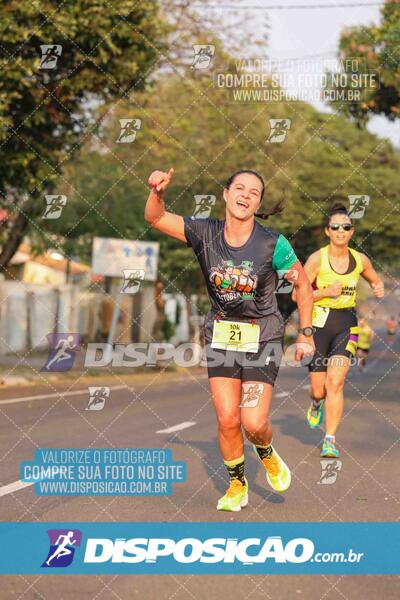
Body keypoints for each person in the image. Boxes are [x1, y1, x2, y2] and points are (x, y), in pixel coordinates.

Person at [145, 167, 315, 511]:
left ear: (258, 203)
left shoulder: (273, 244)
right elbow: (156, 217)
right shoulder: (204, 231)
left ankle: (265, 451)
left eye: (254, 192)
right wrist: (157, 192)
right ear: (225, 194)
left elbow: (303, 285)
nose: (246, 196)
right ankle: (237, 485)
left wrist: (306, 334)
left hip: (263, 334)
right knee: (226, 419)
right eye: (240, 188)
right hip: (222, 332)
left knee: (253, 422)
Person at [293, 203, 384, 458]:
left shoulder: (359, 259)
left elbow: (373, 277)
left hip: (346, 323)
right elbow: (296, 294)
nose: (341, 231)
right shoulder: (316, 260)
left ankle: (330, 439)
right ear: (327, 231)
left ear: (351, 232)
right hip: (318, 326)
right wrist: (324, 292)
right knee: (319, 389)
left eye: (346, 227)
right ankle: (315, 402)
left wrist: (377, 287)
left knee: (337, 382)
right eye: (335, 227)